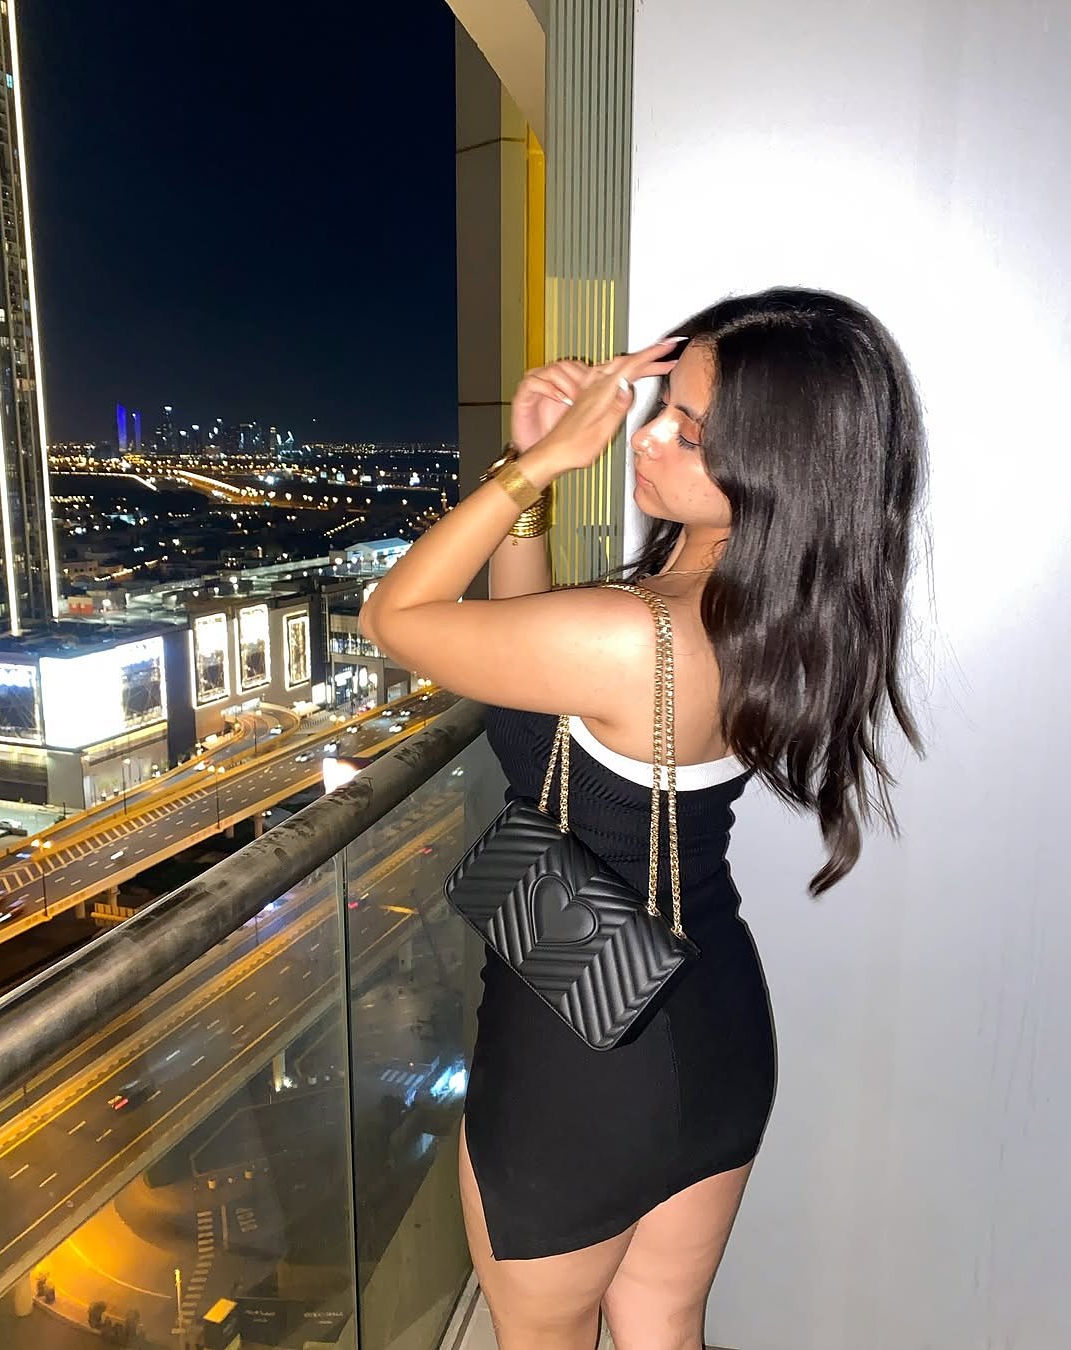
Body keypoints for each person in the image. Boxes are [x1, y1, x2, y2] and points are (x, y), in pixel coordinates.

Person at [360, 287, 927, 1350]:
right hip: (710, 1021)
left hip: (580, 1047)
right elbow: (530, 656)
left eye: (691, 431)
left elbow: (393, 618)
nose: (649, 436)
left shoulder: (634, 634)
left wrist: (534, 466)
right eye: (664, 406)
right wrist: (533, 487)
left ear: (776, 466)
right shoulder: (765, 612)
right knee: (665, 1326)